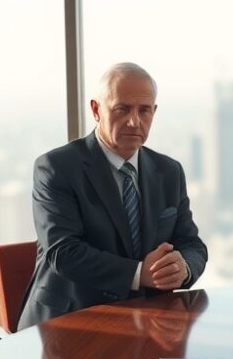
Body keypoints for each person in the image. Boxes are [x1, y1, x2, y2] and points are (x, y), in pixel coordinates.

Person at [18, 62, 208, 330]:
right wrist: (141, 274)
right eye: (122, 109)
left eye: (144, 111)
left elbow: (191, 243)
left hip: (149, 322)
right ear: (96, 110)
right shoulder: (56, 167)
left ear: (154, 112)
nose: (134, 121)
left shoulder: (169, 171)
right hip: (69, 324)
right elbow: (63, 252)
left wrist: (183, 268)